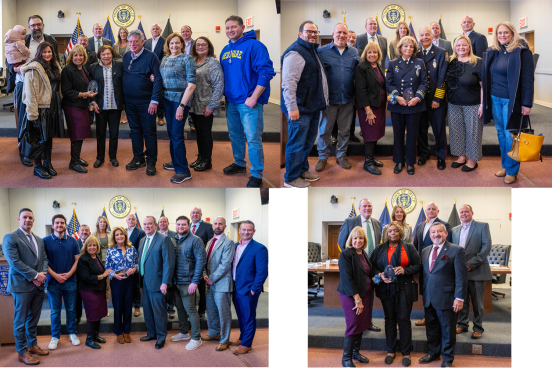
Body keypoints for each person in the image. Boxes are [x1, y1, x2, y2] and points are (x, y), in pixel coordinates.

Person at [220, 15, 276, 188]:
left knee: (252, 138)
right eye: (227, 27)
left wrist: (254, 97)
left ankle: (257, 173)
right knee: (235, 135)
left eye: (233, 27)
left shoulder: (255, 45)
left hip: (248, 102)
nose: (230, 30)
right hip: (231, 102)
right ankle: (239, 163)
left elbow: (266, 72)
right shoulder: (225, 49)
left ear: (242, 27)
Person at [482, 22, 534, 185]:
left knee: (510, 135)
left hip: (512, 101)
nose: (502, 35)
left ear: (512, 33)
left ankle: (512, 170)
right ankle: (505, 165)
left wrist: (526, 103)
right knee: (500, 133)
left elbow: (527, 79)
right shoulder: (494, 51)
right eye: (499, 33)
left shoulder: (522, 52)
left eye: (506, 32)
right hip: (495, 98)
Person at [281, 20, 328, 188]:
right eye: (309, 31)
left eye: (315, 32)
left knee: (307, 143)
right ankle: (291, 178)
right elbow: (288, 84)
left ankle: (302, 170)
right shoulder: (295, 52)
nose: (313, 34)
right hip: (299, 108)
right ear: (300, 33)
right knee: (296, 144)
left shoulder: (311, 50)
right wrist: (292, 107)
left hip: (312, 107)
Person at [370, 222, 421, 367]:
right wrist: (379, 275)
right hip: (386, 289)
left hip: (404, 288)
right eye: (390, 231)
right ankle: (390, 351)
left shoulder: (409, 247)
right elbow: (372, 268)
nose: (392, 233)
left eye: (395, 231)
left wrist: (405, 270)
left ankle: (406, 353)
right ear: (386, 233)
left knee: (404, 319)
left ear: (400, 233)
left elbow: (418, 266)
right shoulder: (379, 248)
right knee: (390, 319)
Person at [3, 208, 49, 365]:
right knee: (20, 320)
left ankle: (32, 344)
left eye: (30, 217)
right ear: (19, 219)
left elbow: (44, 260)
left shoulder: (39, 239)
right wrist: (36, 276)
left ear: (33, 220)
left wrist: (41, 276)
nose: (28, 220)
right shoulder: (10, 238)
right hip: (21, 286)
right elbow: (14, 262)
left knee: (34, 318)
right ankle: (21, 352)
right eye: (25, 217)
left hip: (38, 286)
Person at [419, 223, 467, 368]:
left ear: (446, 233)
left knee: (448, 330)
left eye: (439, 231)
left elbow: (461, 277)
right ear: (429, 235)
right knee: (431, 328)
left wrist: (459, 298)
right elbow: (425, 274)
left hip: (448, 298)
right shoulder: (425, 251)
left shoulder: (456, 250)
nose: (436, 234)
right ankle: (433, 353)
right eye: (433, 232)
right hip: (429, 297)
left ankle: (447, 358)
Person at [316, 23, 360, 172]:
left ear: (348, 36)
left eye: (344, 33)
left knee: (345, 131)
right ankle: (323, 157)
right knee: (324, 131)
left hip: (347, 99)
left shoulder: (354, 52)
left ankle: (341, 156)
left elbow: (358, 75)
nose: (342, 35)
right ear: (333, 34)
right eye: (339, 32)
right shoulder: (321, 51)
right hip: (328, 100)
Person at [337, 198, 382, 333]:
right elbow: (341, 240)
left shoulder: (377, 223)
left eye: (370, 206)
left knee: (369, 294)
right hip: (354, 262)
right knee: (358, 294)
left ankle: (368, 322)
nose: (367, 208)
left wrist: (379, 275)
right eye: (364, 206)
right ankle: (358, 323)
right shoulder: (350, 221)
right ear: (360, 208)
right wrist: (348, 256)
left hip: (370, 262)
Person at [20, 42, 64, 180]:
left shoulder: (55, 66)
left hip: (52, 107)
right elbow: (30, 95)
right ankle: (37, 167)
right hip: (39, 110)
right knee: (39, 140)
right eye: (44, 52)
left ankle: (48, 163)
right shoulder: (33, 69)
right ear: (39, 53)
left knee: (49, 138)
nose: (47, 54)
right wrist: (32, 115)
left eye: (49, 52)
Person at [386, 36, 428, 175]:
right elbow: (389, 83)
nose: (408, 48)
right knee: (397, 134)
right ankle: (399, 161)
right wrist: (397, 97)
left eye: (411, 46)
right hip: (398, 105)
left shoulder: (419, 62)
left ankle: (410, 162)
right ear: (400, 48)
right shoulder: (393, 63)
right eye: (405, 46)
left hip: (414, 104)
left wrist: (418, 97)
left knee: (412, 135)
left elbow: (424, 82)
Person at [123, 29, 163, 176]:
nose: (133, 44)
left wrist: (154, 101)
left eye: (136, 41)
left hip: (147, 103)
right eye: (130, 41)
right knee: (135, 131)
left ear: (142, 42)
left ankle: (151, 161)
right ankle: (138, 158)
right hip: (130, 103)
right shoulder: (127, 56)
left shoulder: (151, 57)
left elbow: (157, 78)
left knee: (149, 132)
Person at [159, 32, 196, 184]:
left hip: (180, 100)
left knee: (177, 134)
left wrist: (182, 105)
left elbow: (192, 84)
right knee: (171, 133)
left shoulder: (187, 58)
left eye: (177, 43)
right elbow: (163, 75)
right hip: (166, 99)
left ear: (182, 44)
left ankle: (183, 170)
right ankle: (175, 162)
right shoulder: (165, 58)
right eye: (171, 43)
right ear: (168, 45)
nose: (174, 46)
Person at [452, 205, 492, 339]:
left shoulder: (482, 226)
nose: (464, 214)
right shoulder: (454, 230)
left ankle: (478, 327)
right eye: (461, 212)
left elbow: (486, 247)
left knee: (477, 302)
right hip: (460, 272)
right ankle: (462, 325)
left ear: (472, 213)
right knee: (461, 299)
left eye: (466, 211)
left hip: (477, 270)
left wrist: (470, 264)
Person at [43, 214, 82, 350]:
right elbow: (43, 262)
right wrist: (56, 276)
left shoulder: (73, 241)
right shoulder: (45, 241)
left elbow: (78, 260)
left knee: (71, 309)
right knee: (55, 311)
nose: (59, 225)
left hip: (70, 281)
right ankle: (55, 336)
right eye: (57, 223)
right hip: (53, 282)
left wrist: (69, 274)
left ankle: (72, 333)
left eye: (62, 223)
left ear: (65, 225)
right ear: (53, 225)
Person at [446, 36, 483, 172]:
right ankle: (461, 157)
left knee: (473, 133)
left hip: (472, 104)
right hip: (454, 103)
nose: (461, 47)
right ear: (455, 47)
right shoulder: (450, 61)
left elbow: (483, 85)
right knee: (456, 132)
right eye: (458, 45)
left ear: (469, 47)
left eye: (464, 45)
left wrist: (482, 105)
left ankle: (472, 160)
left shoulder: (478, 62)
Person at [337, 226, 373, 368]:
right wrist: (357, 299)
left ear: (365, 240)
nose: (358, 240)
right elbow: (347, 278)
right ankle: (346, 358)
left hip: (366, 294)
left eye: (361, 238)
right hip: (352, 295)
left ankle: (355, 353)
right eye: (355, 238)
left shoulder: (363, 254)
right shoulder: (346, 254)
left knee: (362, 323)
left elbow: (368, 273)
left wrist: (380, 277)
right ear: (351, 240)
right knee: (353, 323)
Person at [137, 216, 175, 349]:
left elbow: (168, 263)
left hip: (158, 283)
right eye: (145, 224)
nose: (147, 226)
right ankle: (151, 333)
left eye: (150, 224)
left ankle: (161, 337)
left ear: (155, 225)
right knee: (147, 310)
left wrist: (165, 282)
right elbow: (142, 260)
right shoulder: (142, 240)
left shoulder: (164, 239)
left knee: (159, 312)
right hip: (145, 282)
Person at [231, 221, 269, 354]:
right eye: (244, 230)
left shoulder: (259, 248)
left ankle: (247, 344)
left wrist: (254, 289)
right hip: (235, 287)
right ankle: (242, 337)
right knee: (241, 315)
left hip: (248, 290)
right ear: (239, 230)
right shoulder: (235, 246)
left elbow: (263, 272)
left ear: (254, 231)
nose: (246, 232)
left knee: (248, 317)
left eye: (249, 230)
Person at [169, 215, 206, 350]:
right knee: (180, 308)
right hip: (175, 282)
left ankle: (196, 338)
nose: (181, 227)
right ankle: (184, 332)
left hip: (188, 282)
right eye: (178, 224)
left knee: (191, 309)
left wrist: (195, 282)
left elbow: (201, 262)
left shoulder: (196, 240)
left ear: (189, 225)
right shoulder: (173, 240)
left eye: (184, 224)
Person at [413, 202, 452, 327]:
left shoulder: (444, 225)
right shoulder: (420, 225)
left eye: (433, 209)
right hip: (423, 262)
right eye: (428, 209)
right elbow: (416, 245)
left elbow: (448, 246)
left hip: (438, 264)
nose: (430, 211)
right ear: (425, 210)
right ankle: (427, 316)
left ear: (438, 211)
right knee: (425, 289)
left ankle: (438, 316)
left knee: (436, 289)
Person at [61, 44, 98, 174]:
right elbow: (66, 91)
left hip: (82, 105)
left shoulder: (83, 69)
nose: (78, 57)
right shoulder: (67, 70)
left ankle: (76, 158)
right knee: (77, 134)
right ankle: (74, 163)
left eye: (81, 55)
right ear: (71, 56)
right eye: (75, 55)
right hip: (72, 106)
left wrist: (90, 98)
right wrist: (84, 95)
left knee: (81, 133)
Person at [416, 26, 449, 171]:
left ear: (433, 35)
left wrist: (438, 98)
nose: (424, 37)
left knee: (438, 129)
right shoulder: (415, 53)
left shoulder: (441, 53)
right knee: (421, 129)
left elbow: (442, 78)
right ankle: (424, 153)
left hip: (436, 99)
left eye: (427, 34)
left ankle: (441, 155)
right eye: (422, 35)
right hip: (420, 99)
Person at [189, 36, 224, 172]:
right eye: (198, 45)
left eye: (203, 45)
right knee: (198, 133)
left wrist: (212, 105)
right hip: (194, 104)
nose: (200, 47)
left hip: (206, 105)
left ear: (209, 47)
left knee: (205, 133)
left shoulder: (213, 62)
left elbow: (219, 85)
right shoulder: (193, 61)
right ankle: (200, 157)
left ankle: (207, 161)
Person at [201, 216, 235, 351]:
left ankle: (225, 339)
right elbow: (204, 260)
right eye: (215, 224)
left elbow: (225, 264)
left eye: (220, 224)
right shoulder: (210, 242)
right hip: (209, 282)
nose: (217, 226)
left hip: (221, 283)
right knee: (211, 311)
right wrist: (204, 275)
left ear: (225, 226)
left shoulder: (228, 242)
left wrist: (212, 278)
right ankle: (214, 333)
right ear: (212, 226)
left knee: (224, 313)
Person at [354, 41, 387, 175]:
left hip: (379, 105)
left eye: (375, 52)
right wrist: (368, 111)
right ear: (365, 54)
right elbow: (361, 91)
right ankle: (368, 163)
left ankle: (372, 159)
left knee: (376, 132)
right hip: (369, 108)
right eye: (369, 52)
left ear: (378, 54)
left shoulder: (377, 66)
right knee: (370, 134)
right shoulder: (361, 67)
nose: (372, 54)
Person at [90, 45, 124, 168]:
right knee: (100, 133)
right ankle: (100, 158)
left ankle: (113, 157)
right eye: (103, 54)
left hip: (115, 106)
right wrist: (93, 102)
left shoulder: (119, 66)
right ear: (100, 55)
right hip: (100, 106)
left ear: (112, 54)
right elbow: (91, 87)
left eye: (108, 54)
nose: (106, 56)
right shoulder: (93, 68)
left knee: (114, 133)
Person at [105, 227, 139, 344]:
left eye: (121, 234)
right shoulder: (110, 250)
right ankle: (119, 332)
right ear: (114, 237)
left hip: (130, 280)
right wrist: (115, 275)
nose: (119, 236)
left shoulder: (132, 248)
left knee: (128, 306)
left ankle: (127, 331)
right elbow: (107, 267)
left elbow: (137, 263)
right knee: (118, 307)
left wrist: (134, 269)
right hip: (117, 281)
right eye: (117, 235)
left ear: (125, 236)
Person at [76, 236, 111, 349]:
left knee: (99, 313)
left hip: (99, 289)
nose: (92, 247)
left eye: (94, 245)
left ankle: (95, 336)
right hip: (88, 290)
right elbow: (86, 277)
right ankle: (89, 339)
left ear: (98, 247)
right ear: (86, 247)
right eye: (90, 245)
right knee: (92, 314)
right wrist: (103, 276)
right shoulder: (83, 259)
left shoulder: (97, 257)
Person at [190, 207, 214, 321]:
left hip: (202, 263)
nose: (195, 214)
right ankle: (192, 312)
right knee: (190, 290)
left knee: (201, 289)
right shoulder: (187, 226)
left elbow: (211, 244)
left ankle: (201, 311)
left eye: (197, 213)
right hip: (189, 264)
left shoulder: (208, 227)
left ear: (201, 214)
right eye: (193, 213)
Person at [144, 23, 166, 126]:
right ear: (150, 31)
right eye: (153, 29)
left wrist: (155, 67)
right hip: (148, 72)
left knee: (159, 94)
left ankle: (160, 117)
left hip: (159, 71)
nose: (155, 30)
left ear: (160, 30)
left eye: (157, 29)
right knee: (148, 93)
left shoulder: (165, 41)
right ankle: (150, 114)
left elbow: (166, 56)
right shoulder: (146, 42)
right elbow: (144, 56)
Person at [125, 213, 146, 317]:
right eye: (129, 219)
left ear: (136, 221)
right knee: (126, 286)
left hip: (135, 263)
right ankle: (127, 307)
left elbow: (141, 248)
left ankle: (137, 307)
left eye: (133, 219)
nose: (131, 221)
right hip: (123, 264)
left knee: (136, 286)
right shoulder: (123, 232)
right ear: (126, 221)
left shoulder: (141, 232)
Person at [158, 216, 177, 319]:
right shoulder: (154, 235)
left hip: (169, 264)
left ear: (168, 223)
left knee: (169, 288)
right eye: (160, 222)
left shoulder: (174, 235)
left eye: (164, 221)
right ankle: (163, 309)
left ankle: (171, 309)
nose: (162, 223)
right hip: (158, 266)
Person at [180, 25, 196, 131]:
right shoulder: (178, 44)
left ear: (191, 32)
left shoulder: (196, 44)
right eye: (183, 31)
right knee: (182, 98)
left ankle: (192, 123)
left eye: (187, 31)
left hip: (192, 74)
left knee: (191, 99)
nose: (185, 33)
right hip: (181, 76)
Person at [113, 27, 130, 123]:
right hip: (118, 69)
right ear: (119, 34)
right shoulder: (115, 45)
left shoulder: (130, 43)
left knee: (126, 90)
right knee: (118, 90)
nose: (123, 34)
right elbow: (113, 57)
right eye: (121, 33)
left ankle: (126, 114)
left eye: (124, 32)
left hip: (128, 69)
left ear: (127, 34)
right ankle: (120, 113)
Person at [76, 224, 91, 325]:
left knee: (89, 299)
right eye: (82, 230)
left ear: (90, 233)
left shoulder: (93, 243)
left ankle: (90, 318)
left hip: (89, 276)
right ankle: (77, 317)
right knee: (77, 298)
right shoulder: (74, 243)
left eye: (86, 230)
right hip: (77, 276)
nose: (84, 232)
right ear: (78, 232)